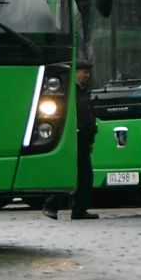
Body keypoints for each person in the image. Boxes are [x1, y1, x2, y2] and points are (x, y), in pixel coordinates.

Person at [44, 58, 98, 221]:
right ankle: (51, 206)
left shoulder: (81, 90)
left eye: (88, 72)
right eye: (84, 72)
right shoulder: (69, 92)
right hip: (74, 138)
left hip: (83, 139)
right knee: (69, 175)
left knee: (84, 177)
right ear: (74, 73)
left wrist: (91, 138)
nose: (87, 76)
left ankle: (79, 209)